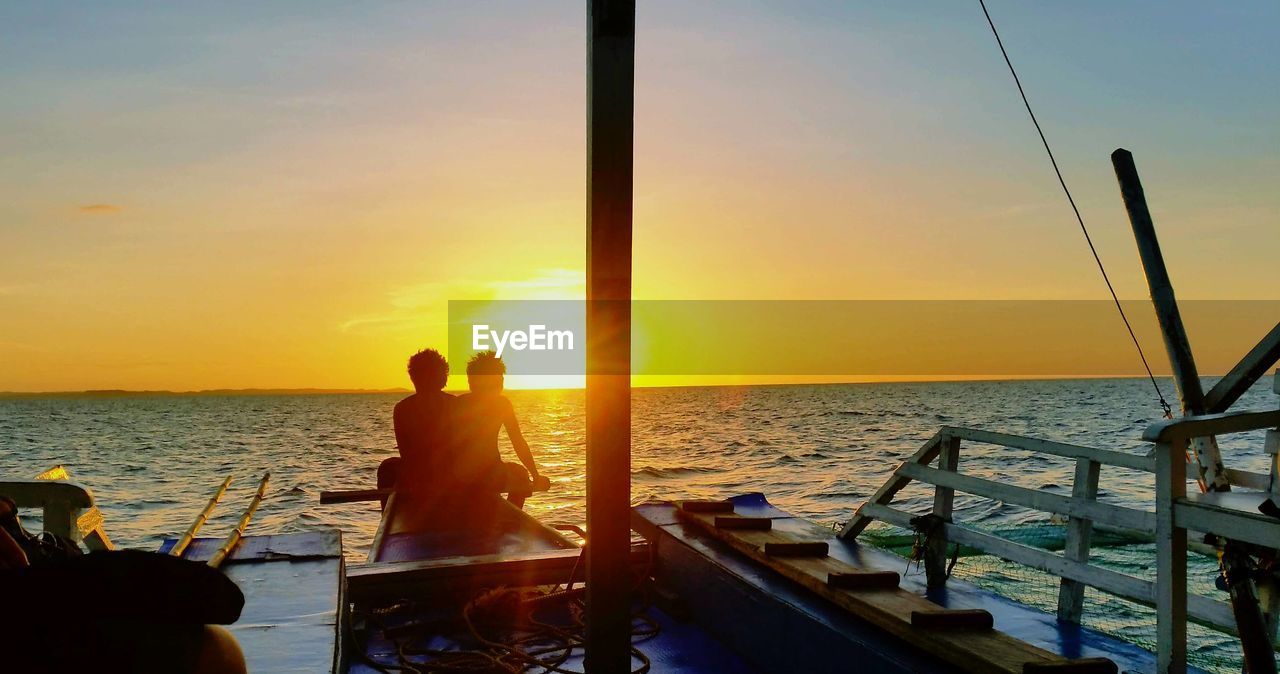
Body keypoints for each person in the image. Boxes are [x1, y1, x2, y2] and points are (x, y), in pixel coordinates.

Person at [453, 351, 549, 507]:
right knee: (520, 474)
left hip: (459, 474)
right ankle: (511, 518)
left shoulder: (459, 402)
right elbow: (517, 441)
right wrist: (535, 475)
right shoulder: (501, 404)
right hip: (489, 471)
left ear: (471, 381)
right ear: (496, 380)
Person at [388, 348, 455, 497]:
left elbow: (405, 453)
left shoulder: (402, 408)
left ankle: (388, 517)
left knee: (386, 468)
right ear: (443, 377)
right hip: (451, 473)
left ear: (413, 377)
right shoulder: (456, 404)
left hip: (424, 475)